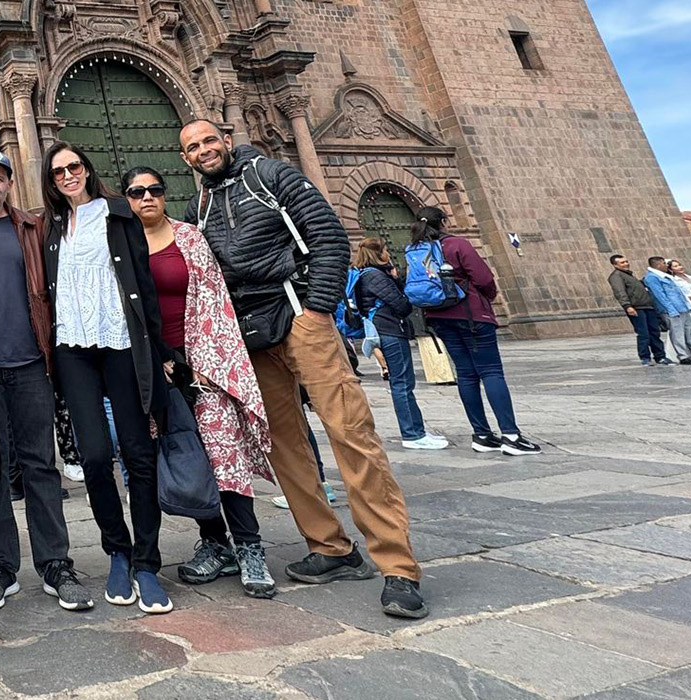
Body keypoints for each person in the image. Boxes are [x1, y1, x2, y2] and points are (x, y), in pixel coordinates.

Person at [177, 119, 426, 619]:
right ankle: (330, 547)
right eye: (192, 147)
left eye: (209, 141)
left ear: (226, 141)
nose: (204, 151)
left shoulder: (272, 176)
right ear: (186, 158)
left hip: (299, 320)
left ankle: (398, 567)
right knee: (283, 443)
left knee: (350, 432)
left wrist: (316, 312)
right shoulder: (197, 207)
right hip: (251, 337)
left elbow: (330, 237)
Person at [119, 167, 278, 600]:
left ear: (165, 195)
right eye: (136, 192)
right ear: (126, 199)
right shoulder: (123, 244)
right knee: (188, 457)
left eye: (154, 190)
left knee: (224, 455)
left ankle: (249, 547)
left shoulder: (189, 237)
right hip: (157, 368)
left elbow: (212, 295)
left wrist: (205, 358)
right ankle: (214, 542)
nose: (147, 198)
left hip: (204, 362)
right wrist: (158, 361)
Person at [0, 149, 91, 613]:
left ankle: (56, 563)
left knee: (40, 465)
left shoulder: (33, 229)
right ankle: (1, 566)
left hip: (32, 362)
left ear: (9, 183)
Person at [41, 144, 175, 614]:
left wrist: (161, 353)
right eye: (58, 171)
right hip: (73, 349)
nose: (67, 176)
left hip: (121, 342)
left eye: (73, 167)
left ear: (87, 169)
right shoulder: (50, 227)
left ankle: (147, 563)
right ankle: (116, 551)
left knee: (139, 455)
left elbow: (145, 285)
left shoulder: (120, 215)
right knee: (95, 457)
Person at [411, 209, 540, 455]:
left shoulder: (416, 250)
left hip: (438, 317)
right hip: (470, 315)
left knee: (466, 374)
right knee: (491, 371)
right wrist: (484, 299)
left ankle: (481, 434)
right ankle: (511, 436)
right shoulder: (457, 245)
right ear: (444, 223)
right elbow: (483, 278)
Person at [351, 238, 446, 450]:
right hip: (390, 330)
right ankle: (412, 434)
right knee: (402, 384)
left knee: (402, 383)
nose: (388, 254)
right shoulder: (375, 276)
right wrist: (396, 280)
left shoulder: (369, 275)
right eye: (385, 250)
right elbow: (402, 305)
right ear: (379, 253)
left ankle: (416, 431)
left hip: (386, 330)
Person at [644, 256, 691, 365]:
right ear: (659, 264)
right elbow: (660, 295)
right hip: (671, 309)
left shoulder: (665, 276)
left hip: (682, 307)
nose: (666, 266)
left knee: (689, 332)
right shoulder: (652, 277)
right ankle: (683, 356)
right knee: (678, 334)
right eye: (665, 264)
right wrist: (671, 310)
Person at [607, 254, 669, 366]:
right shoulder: (616, 276)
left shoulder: (629, 275)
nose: (626, 264)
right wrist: (627, 306)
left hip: (647, 307)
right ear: (614, 265)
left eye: (626, 261)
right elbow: (620, 292)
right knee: (643, 333)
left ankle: (660, 356)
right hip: (636, 308)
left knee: (654, 332)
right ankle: (645, 357)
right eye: (622, 262)